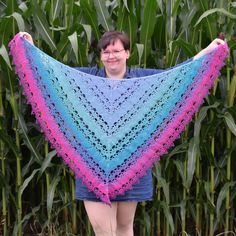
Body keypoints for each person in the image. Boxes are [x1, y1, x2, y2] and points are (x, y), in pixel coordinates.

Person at [19, 31, 225, 236]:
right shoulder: (86, 78)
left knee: (125, 228)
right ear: (100, 56)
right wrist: (31, 47)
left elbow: (179, 74)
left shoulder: (143, 80)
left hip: (132, 166)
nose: (111, 56)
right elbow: (52, 70)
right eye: (106, 52)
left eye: (116, 50)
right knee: (105, 232)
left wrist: (208, 51)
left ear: (127, 53)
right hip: (93, 168)